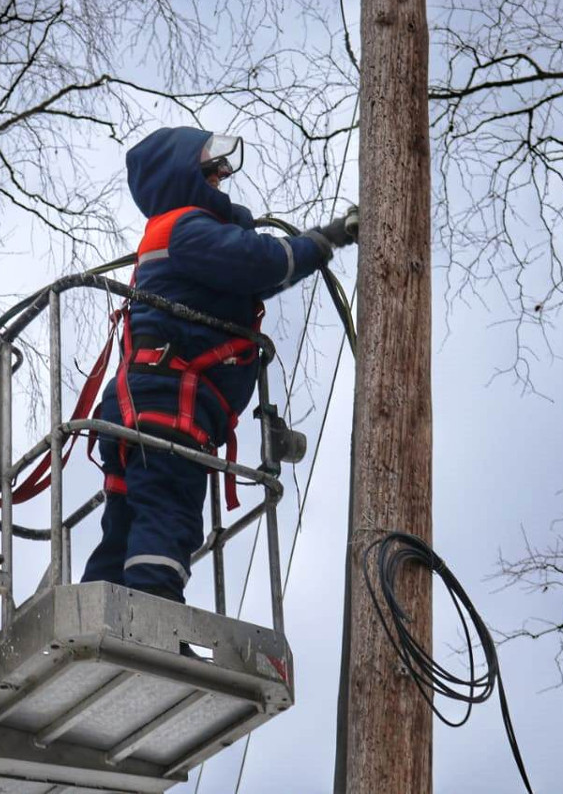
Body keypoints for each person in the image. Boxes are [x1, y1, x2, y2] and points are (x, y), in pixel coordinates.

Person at [80, 126, 357, 605]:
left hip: (141, 404)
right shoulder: (187, 228)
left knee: (126, 520)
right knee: (168, 512)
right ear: (181, 175)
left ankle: (99, 617)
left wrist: (314, 242)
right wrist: (322, 240)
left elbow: (246, 277)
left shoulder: (176, 234)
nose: (223, 178)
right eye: (212, 171)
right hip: (169, 405)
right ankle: (156, 627)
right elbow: (260, 264)